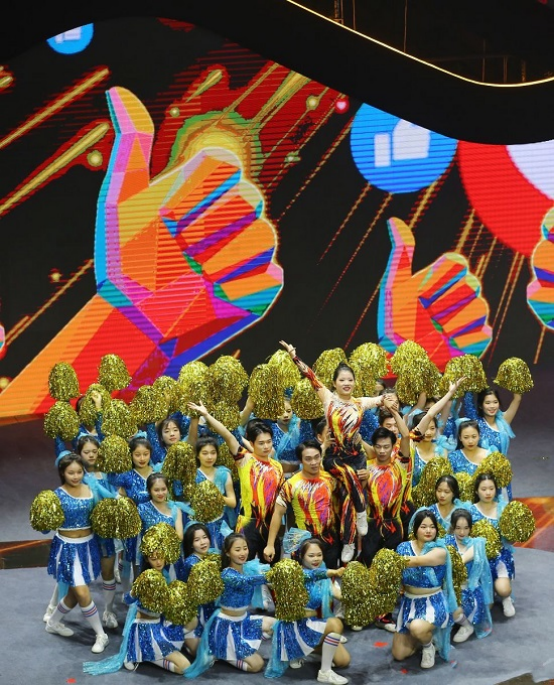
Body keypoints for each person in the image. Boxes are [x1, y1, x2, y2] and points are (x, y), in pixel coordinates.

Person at [279, 340, 385, 562]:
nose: (346, 383)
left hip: (355, 456)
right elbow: (310, 376)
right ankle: (362, 511)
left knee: (346, 499)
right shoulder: (328, 398)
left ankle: (348, 541)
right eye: (342, 380)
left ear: (355, 382)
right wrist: (294, 356)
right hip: (334, 456)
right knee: (349, 477)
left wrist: (389, 399)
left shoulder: (360, 403)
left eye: (350, 380)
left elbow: (381, 399)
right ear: (335, 383)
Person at [187, 401, 284, 564]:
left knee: (273, 571)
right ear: (251, 444)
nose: (266, 446)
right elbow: (227, 434)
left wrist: (271, 542)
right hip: (247, 523)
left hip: (270, 525)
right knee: (242, 568)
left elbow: (279, 508)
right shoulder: (245, 459)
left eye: (269, 442)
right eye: (261, 443)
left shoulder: (277, 467)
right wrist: (206, 415)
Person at [84, 549, 197, 675]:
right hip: (146, 631)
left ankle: (146, 653)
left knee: (191, 624)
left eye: (161, 557)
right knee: (184, 668)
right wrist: (138, 591)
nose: (158, 562)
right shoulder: (146, 579)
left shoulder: (165, 575)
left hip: (162, 625)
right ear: (147, 560)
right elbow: (128, 599)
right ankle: (146, 653)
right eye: (153, 559)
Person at [43, 453, 110, 654]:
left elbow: (101, 515)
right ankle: (101, 634)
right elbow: (45, 527)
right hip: (67, 549)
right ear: (62, 473)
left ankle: (53, 622)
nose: (75, 476)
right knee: (82, 592)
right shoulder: (56, 495)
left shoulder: (91, 490)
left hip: (88, 547)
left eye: (79, 472)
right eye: (71, 473)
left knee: (74, 595)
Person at [184, 533, 276, 677]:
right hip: (226, 627)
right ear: (227, 552)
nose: (243, 553)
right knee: (256, 665)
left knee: (276, 625)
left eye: (245, 548)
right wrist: (275, 575)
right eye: (237, 550)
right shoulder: (227, 575)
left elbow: (259, 578)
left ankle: (239, 646)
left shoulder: (248, 569)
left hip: (243, 621)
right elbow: (247, 581)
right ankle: (222, 651)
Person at [266, 538, 349, 684]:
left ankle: (308, 651)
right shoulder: (295, 574)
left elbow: (338, 594)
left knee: (343, 661)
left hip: (313, 624)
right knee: (335, 624)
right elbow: (310, 576)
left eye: (319, 555)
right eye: (311, 555)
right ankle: (324, 672)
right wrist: (334, 571)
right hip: (295, 628)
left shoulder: (323, 575)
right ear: (301, 556)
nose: (316, 559)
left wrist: (359, 595)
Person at [392, 509, 457, 669]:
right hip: (409, 603)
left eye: (432, 527)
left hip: (433, 602)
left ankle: (428, 646)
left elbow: (417, 561)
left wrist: (388, 561)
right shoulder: (403, 547)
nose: (428, 530)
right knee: (399, 655)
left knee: (417, 627)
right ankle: (423, 636)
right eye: (423, 526)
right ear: (415, 529)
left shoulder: (440, 551)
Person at [263, 440, 340, 569]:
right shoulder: (291, 484)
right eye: (308, 459)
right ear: (300, 461)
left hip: (329, 538)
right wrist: (270, 545)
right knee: (304, 578)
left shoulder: (330, 479)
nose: (313, 462)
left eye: (316, 457)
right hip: (303, 540)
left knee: (329, 576)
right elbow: (278, 513)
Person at [469, 474, 516, 617]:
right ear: (476, 491)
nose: (488, 492)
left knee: (503, 589)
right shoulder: (470, 510)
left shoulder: (503, 508)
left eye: (491, 488)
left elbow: (511, 541)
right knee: (484, 606)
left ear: (496, 489)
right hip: (478, 559)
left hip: (499, 557)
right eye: (483, 489)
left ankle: (506, 597)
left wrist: (512, 534)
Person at [444, 508, 493, 642]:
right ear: (453, 527)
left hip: (469, 591)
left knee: (453, 609)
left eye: (466, 528)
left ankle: (467, 625)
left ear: (470, 528)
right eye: (458, 528)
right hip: (449, 589)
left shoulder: (476, 545)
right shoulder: (445, 542)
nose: (462, 532)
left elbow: (459, 561)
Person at [463, 388, 521, 500]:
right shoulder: (476, 423)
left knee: (502, 507)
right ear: (481, 405)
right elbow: (468, 401)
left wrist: (515, 382)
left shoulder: (503, 421)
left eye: (495, 402)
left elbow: (517, 399)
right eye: (488, 403)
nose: (492, 406)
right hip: (481, 477)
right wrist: (471, 382)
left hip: (500, 474)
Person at [138, 473, 186, 579]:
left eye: (163, 489)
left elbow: (179, 535)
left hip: (169, 557)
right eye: (156, 490)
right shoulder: (142, 509)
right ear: (149, 490)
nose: (160, 493)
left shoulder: (175, 509)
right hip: (151, 558)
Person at [192, 435, 237, 547]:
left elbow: (232, 502)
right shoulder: (192, 475)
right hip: (200, 525)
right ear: (197, 455)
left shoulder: (224, 473)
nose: (209, 457)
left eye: (213, 453)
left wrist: (215, 496)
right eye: (205, 453)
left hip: (221, 522)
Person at [181, 523, 219, 655]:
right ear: (191, 544)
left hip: (210, 607)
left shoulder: (211, 555)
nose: (203, 542)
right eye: (197, 540)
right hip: (194, 611)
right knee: (201, 653)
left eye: (204, 537)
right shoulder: (191, 562)